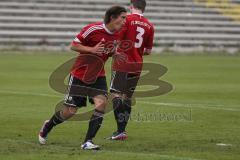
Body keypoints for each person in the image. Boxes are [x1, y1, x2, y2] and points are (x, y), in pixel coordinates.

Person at [38, 5, 127, 150]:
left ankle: (88, 142)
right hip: (80, 74)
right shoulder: (93, 29)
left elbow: (107, 50)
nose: (125, 21)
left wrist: (114, 54)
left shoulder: (118, 34)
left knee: (102, 104)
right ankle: (48, 126)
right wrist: (91, 49)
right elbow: (74, 45)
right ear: (112, 17)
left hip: (98, 75)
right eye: (123, 18)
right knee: (69, 112)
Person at [109, 0, 154, 140]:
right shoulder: (149, 26)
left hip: (122, 62)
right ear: (144, 8)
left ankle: (120, 131)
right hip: (137, 64)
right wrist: (137, 51)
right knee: (127, 97)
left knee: (115, 94)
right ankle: (121, 131)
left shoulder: (126, 20)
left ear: (131, 6)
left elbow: (116, 40)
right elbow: (148, 51)